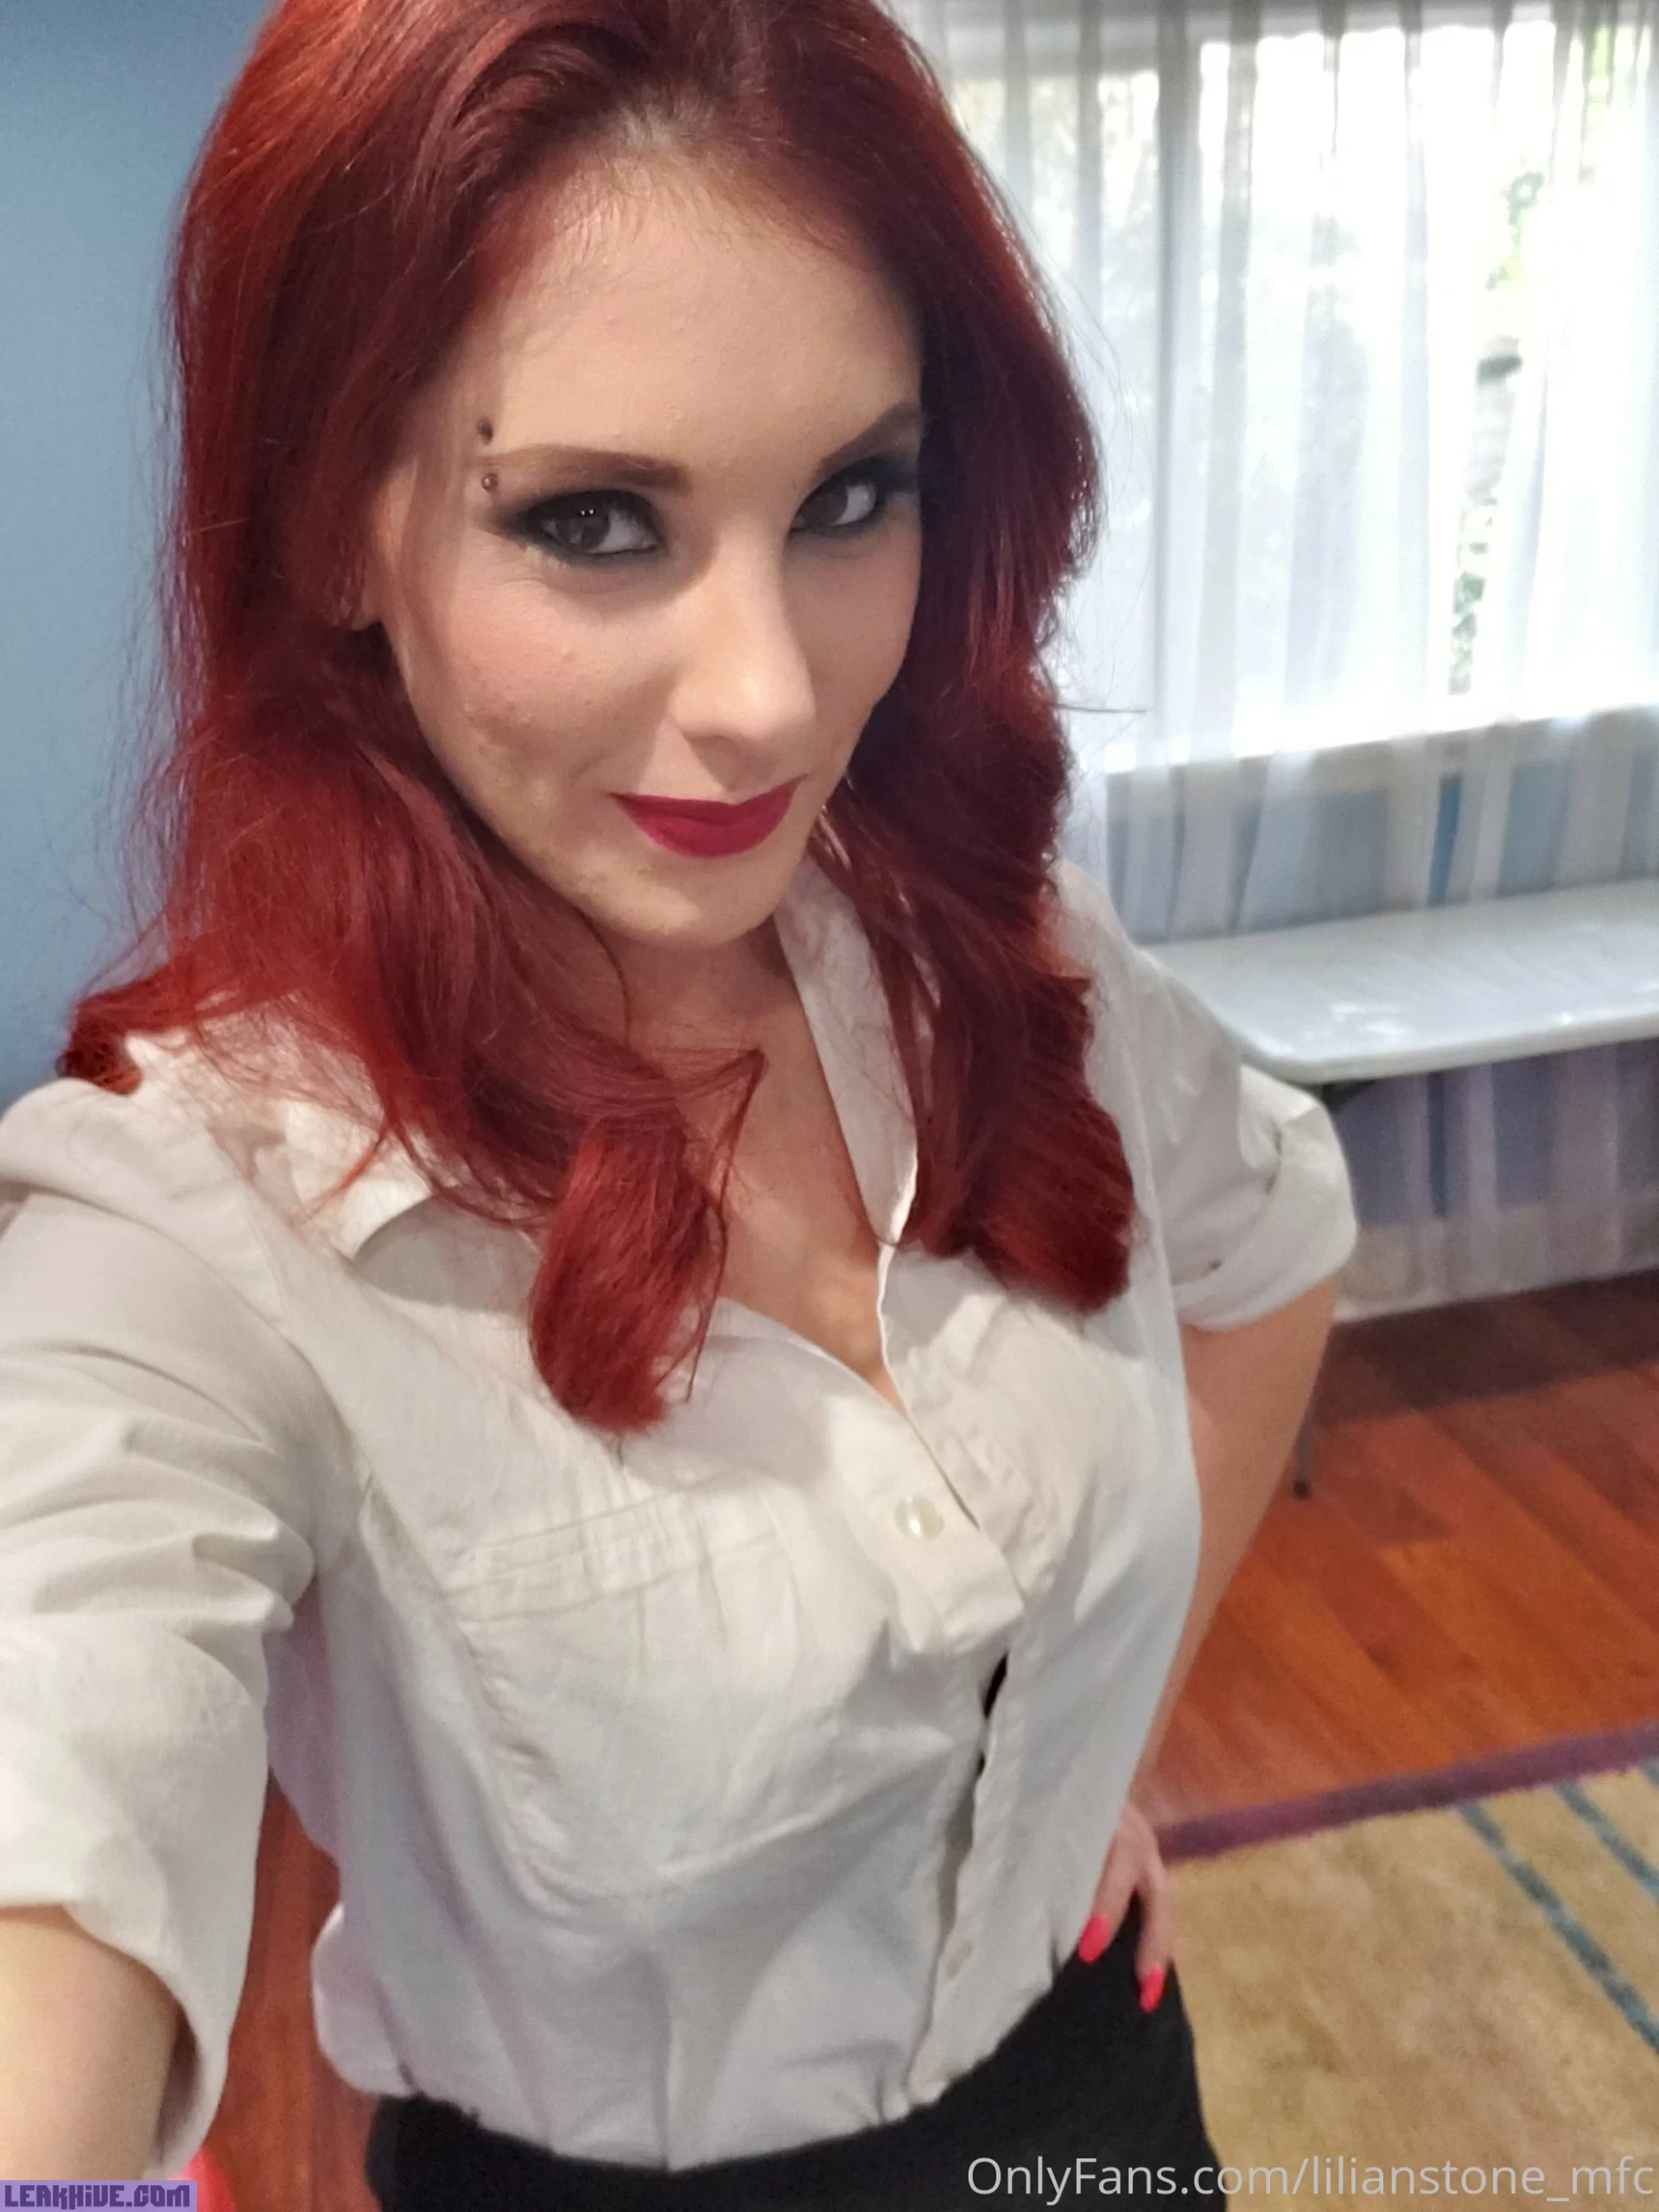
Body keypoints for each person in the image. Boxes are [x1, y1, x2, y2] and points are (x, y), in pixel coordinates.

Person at [0, 0, 1357, 2201]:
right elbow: (54, 1753)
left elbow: (1276, 1240)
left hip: (1096, 2079)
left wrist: (1077, 1762)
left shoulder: (1002, 957)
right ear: (334, 528)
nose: (772, 693)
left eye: (850, 496)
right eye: (595, 518)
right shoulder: (191, 1231)